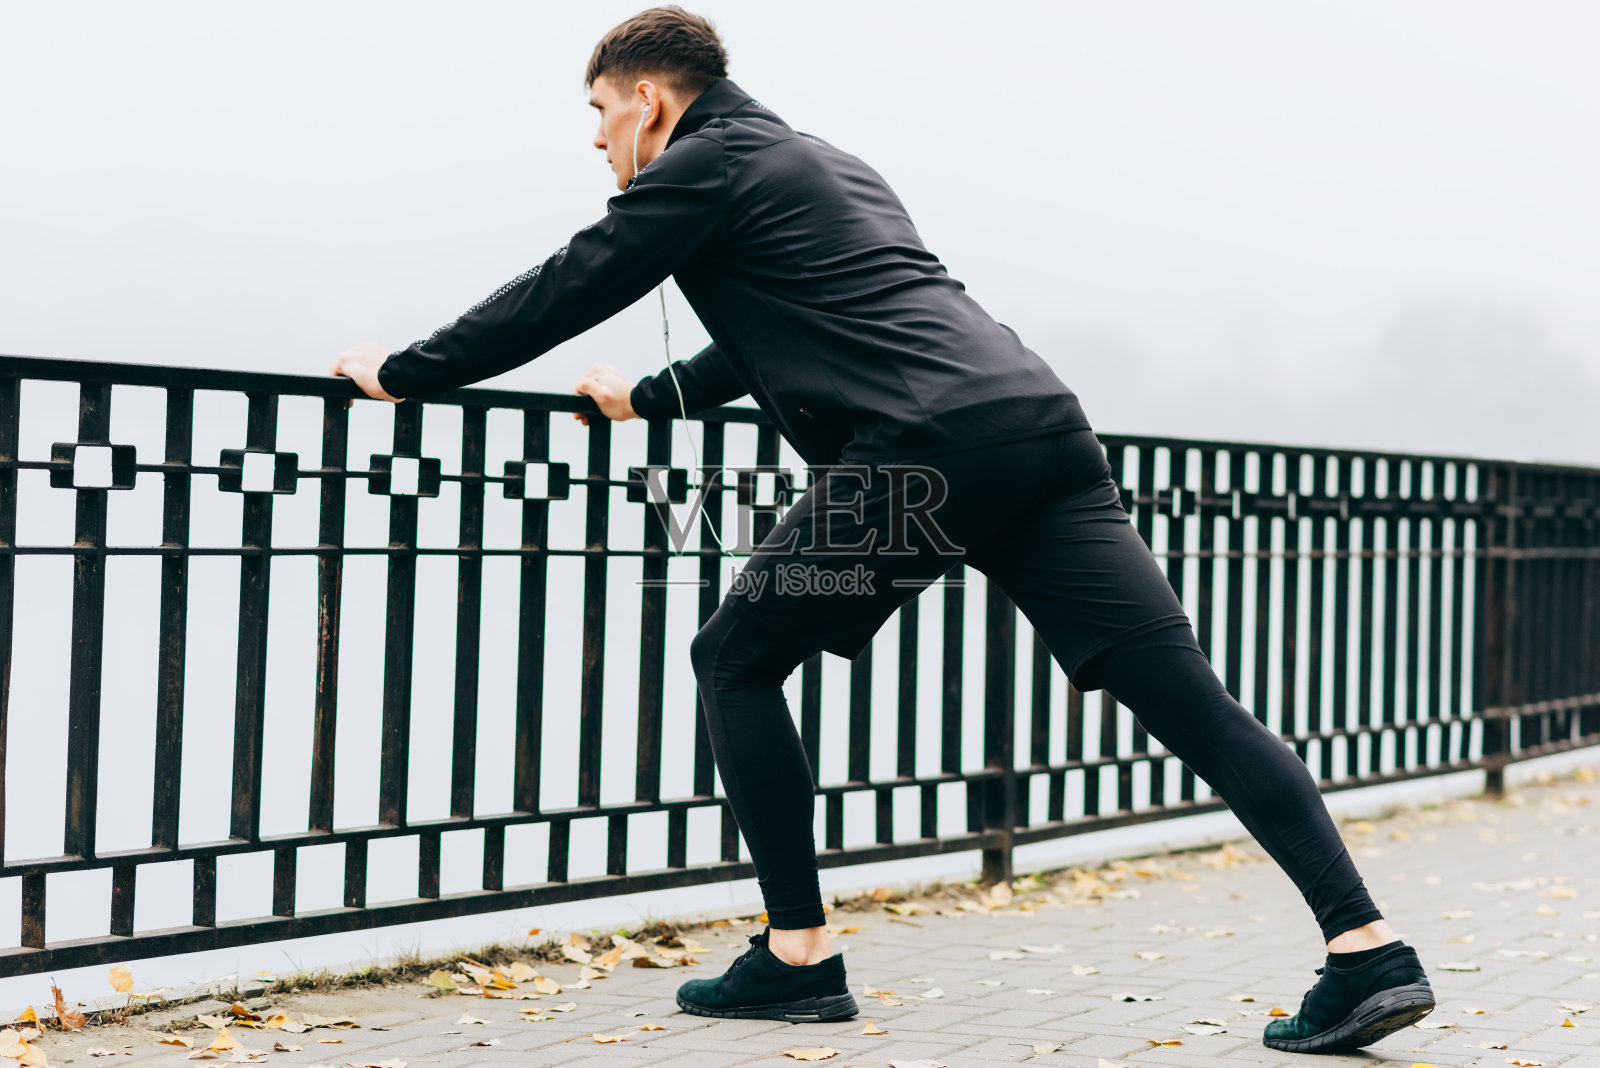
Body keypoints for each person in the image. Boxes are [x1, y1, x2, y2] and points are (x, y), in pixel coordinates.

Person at [330, 5, 1435, 1052]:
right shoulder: (822, 162)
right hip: (1037, 432)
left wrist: (410, 372)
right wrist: (654, 398)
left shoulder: (703, 166)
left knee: (734, 658)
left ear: (652, 101)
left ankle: (797, 954)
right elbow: (796, 322)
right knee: (1184, 694)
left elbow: (573, 280)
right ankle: (1365, 950)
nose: (597, 140)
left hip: (925, 456)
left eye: (600, 114)